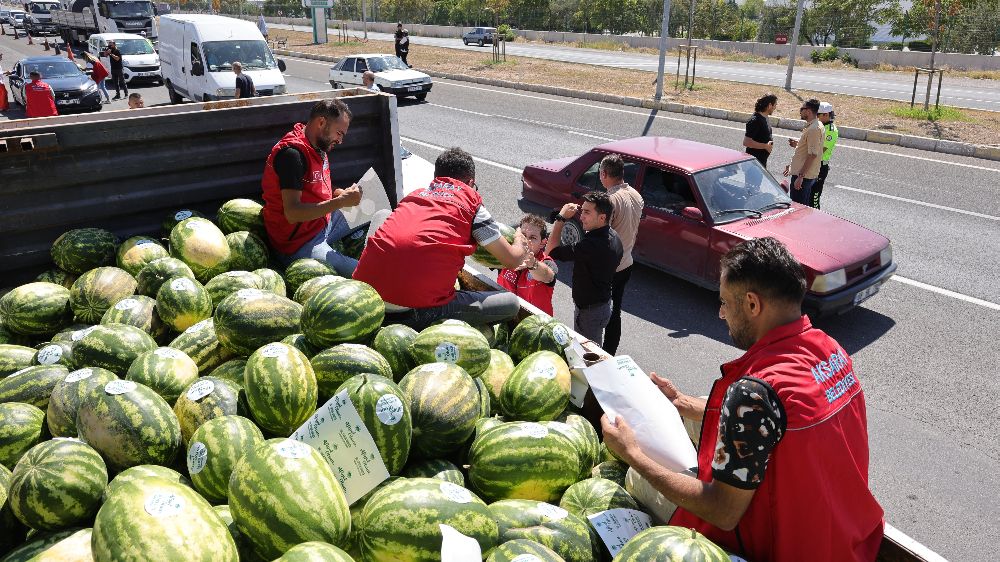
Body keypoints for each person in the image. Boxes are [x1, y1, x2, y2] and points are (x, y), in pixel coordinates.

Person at [601, 237, 884, 562]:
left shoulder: (753, 394)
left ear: (752, 304)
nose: (721, 314)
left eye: (724, 302)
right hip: (846, 543)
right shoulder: (831, 351)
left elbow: (722, 512)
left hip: (783, 548)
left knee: (637, 479)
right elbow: (779, 419)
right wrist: (682, 402)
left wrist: (633, 454)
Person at [353, 147, 531, 329]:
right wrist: (519, 239)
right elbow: (511, 260)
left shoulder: (415, 196)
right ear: (470, 182)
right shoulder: (471, 205)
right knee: (510, 303)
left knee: (383, 214)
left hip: (363, 301)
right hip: (414, 312)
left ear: (436, 178)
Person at [261, 99, 363, 275]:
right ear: (321, 123)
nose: (340, 141)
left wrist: (339, 193)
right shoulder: (292, 155)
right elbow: (292, 213)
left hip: (321, 223)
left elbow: (317, 186)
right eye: (339, 133)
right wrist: (340, 202)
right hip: (298, 243)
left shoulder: (318, 145)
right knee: (360, 272)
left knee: (376, 204)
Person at [545, 191, 623, 348]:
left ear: (602, 218)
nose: (581, 217)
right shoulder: (614, 236)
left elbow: (550, 251)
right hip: (603, 305)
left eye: (587, 212)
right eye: (582, 211)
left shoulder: (592, 246)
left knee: (587, 355)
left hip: (589, 313)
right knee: (592, 347)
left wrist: (561, 218)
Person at [601, 154, 643, 356]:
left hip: (610, 267)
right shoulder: (636, 195)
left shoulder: (609, 200)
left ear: (604, 174)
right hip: (627, 262)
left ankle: (598, 352)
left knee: (597, 312)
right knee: (615, 310)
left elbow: (602, 236)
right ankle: (609, 352)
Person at [497, 214, 557, 315]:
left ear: (542, 243)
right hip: (505, 314)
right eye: (523, 235)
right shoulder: (508, 254)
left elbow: (548, 276)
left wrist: (532, 263)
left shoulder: (546, 262)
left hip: (535, 324)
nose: (526, 241)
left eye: (533, 238)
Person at [783, 98, 823, 206]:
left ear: (808, 111)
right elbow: (807, 150)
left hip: (804, 178)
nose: (800, 111)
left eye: (802, 109)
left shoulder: (814, 129)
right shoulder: (813, 125)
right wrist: (792, 165)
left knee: (798, 209)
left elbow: (812, 154)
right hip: (803, 174)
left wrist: (800, 177)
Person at [812, 101, 838, 209]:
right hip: (814, 163)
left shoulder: (831, 130)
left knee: (814, 197)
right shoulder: (821, 126)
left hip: (820, 165)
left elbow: (821, 149)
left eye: (818, 115)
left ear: (826, 115)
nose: (816, 117)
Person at [743, 93, 777, 168]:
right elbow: (746, 142)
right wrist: (765, 146)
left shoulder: (764, 117)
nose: (775, 108)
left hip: (760, 162)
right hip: (753, 165)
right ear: (769, 105)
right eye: (775, 105)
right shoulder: (755, 120)